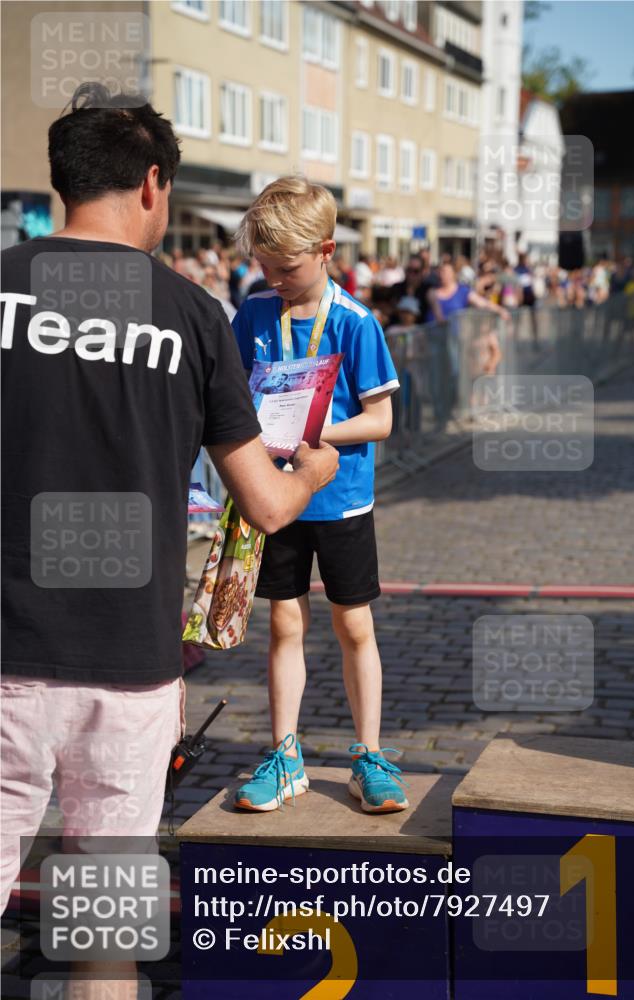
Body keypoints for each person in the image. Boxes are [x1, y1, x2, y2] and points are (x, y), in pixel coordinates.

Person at [0, 83, 338, 942]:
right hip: (130, 665)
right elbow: (262, 504)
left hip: (6, 655)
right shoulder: (190, 313)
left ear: (62, 181)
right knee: (106, 940)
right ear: (152, 184)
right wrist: (315, 470)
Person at [232, 175, 408, 815]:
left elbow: (381, 420)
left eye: (286, 266)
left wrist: (309, 429)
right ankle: (285, 754)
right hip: (275, 495)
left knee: (352, 622)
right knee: (283, 622)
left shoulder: (357, 323)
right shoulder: (252, 313)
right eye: (264, 265)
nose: (273, 277)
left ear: (327, 250)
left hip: (340, 499)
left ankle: (370, 754)